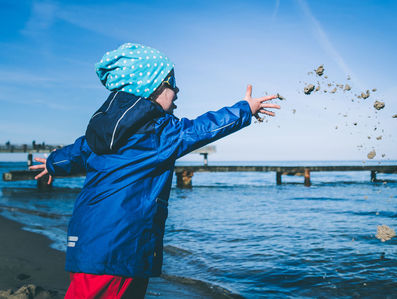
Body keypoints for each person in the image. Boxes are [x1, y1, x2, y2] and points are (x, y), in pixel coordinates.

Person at [29, 43, 280, 298]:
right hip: (121, 248)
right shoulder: (158, 132)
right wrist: (244, 109)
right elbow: (202, 129)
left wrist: (52, 164)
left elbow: (77, 151)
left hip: (87, 241)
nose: (177, 90)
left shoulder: (102, 130)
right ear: (151, 88)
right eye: (171, 83)